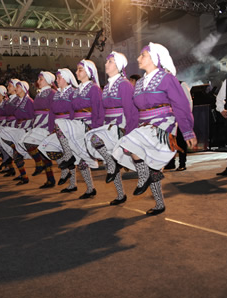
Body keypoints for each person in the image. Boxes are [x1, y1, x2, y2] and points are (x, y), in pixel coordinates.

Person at [112, 42, 197, 215]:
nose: (138, 58)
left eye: (142, 55)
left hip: (162, 125)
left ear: (154, 58)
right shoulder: (141, 82)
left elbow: (181, 104)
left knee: (130, 144)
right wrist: (131, 128)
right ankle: (159, 204)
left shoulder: (166, 78)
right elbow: (135, 111)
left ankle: (143, 177)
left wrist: (188, 130)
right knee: (152, 168)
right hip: (144, 126)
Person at [86, 51, 138, 205]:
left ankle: (158, 197)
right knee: (107, 156)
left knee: (141, 165)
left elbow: (131, 111)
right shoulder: (108, 86)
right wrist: (97, 126)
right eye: (107, 61)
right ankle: (120, 195)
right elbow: (102, 111)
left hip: (120, 126)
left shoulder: (124, 85)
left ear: (118, 65)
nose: (106, 64)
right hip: (108, 126)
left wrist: (129, 134)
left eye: (110, 61)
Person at [55, 61, 104, 199]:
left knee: (59, 124)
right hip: (76, 124)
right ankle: (90, 188)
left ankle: (68, 157)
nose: (77, 72)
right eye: (77, 70)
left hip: (87, 124)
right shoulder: (76, 91)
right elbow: (71, 111)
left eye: (80, 70)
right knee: (81, 159)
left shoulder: (94, 89)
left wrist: (95, 129)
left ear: (88, 72)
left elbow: (98, 109)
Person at [21, 72, 57, 188]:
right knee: (40, 150)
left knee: (30, 143)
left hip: (46, 124)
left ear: (47, 80)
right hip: (38, 123)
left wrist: (52, 127)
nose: (38, 81)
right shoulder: (39, 94)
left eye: (41, 79)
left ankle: (40, 164)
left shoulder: (52, 93)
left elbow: (54, 111)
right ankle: (50, 179)